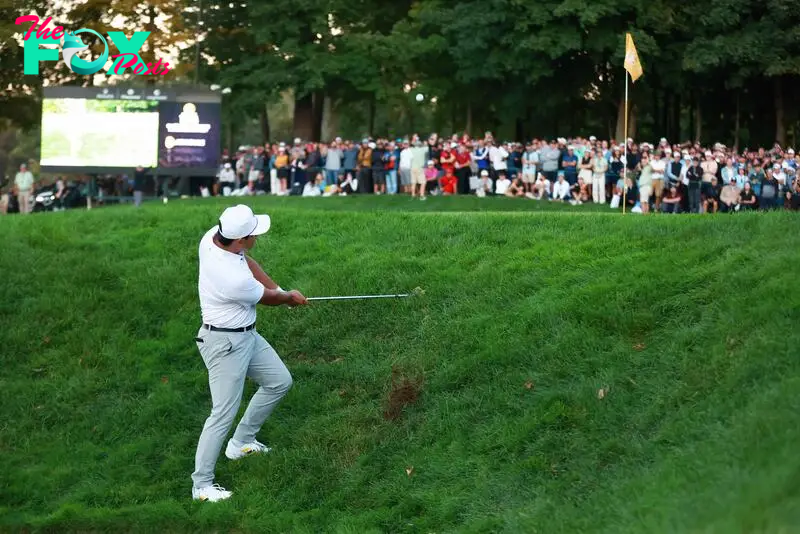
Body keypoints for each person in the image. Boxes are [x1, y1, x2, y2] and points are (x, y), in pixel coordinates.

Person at [192, 204, 307, 502]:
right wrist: (288, 298)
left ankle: (241, 443)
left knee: (279, 381)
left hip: (246, 335)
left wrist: (282, 289)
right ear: (241, 238)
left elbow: (249, 263)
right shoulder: (233, 280)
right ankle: (201, 485)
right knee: (222, 414)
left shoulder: (214, 238)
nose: (257, 236)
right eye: (253, 233)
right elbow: (269, 299)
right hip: (225, 344)